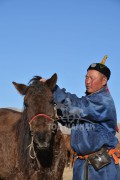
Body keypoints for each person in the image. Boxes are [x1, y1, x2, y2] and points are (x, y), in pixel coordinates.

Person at [40, 55, 120, 180]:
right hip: (82, 167)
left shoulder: (103, 101)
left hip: (101, 170)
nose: (87, 81)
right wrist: (56, 114)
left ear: (104, 81)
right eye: (86, 77)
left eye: (92, 78)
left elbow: (77, 106)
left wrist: (54, 89)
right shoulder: (89, 101)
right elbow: (74, 118)